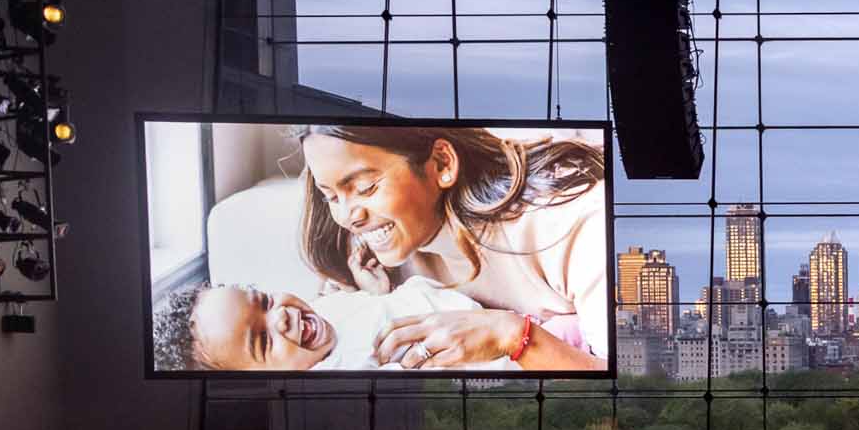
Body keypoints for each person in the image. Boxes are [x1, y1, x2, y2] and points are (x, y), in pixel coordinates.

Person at [290, 123, 610, 371]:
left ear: (442, 163)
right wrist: (380, 299)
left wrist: (513, 336)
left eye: (365, 187)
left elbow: (641, 396)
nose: (347, 217)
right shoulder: (374, 255)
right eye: (331, 196)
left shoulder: (570, 224)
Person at [153, 276, 527, 372]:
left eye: (264, 301)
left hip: (499, 306)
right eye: (264, 341)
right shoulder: (351, 370)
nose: (280, 315)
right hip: (518, 348)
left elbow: (370, 310)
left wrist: (373, 292)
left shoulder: (321, 311)